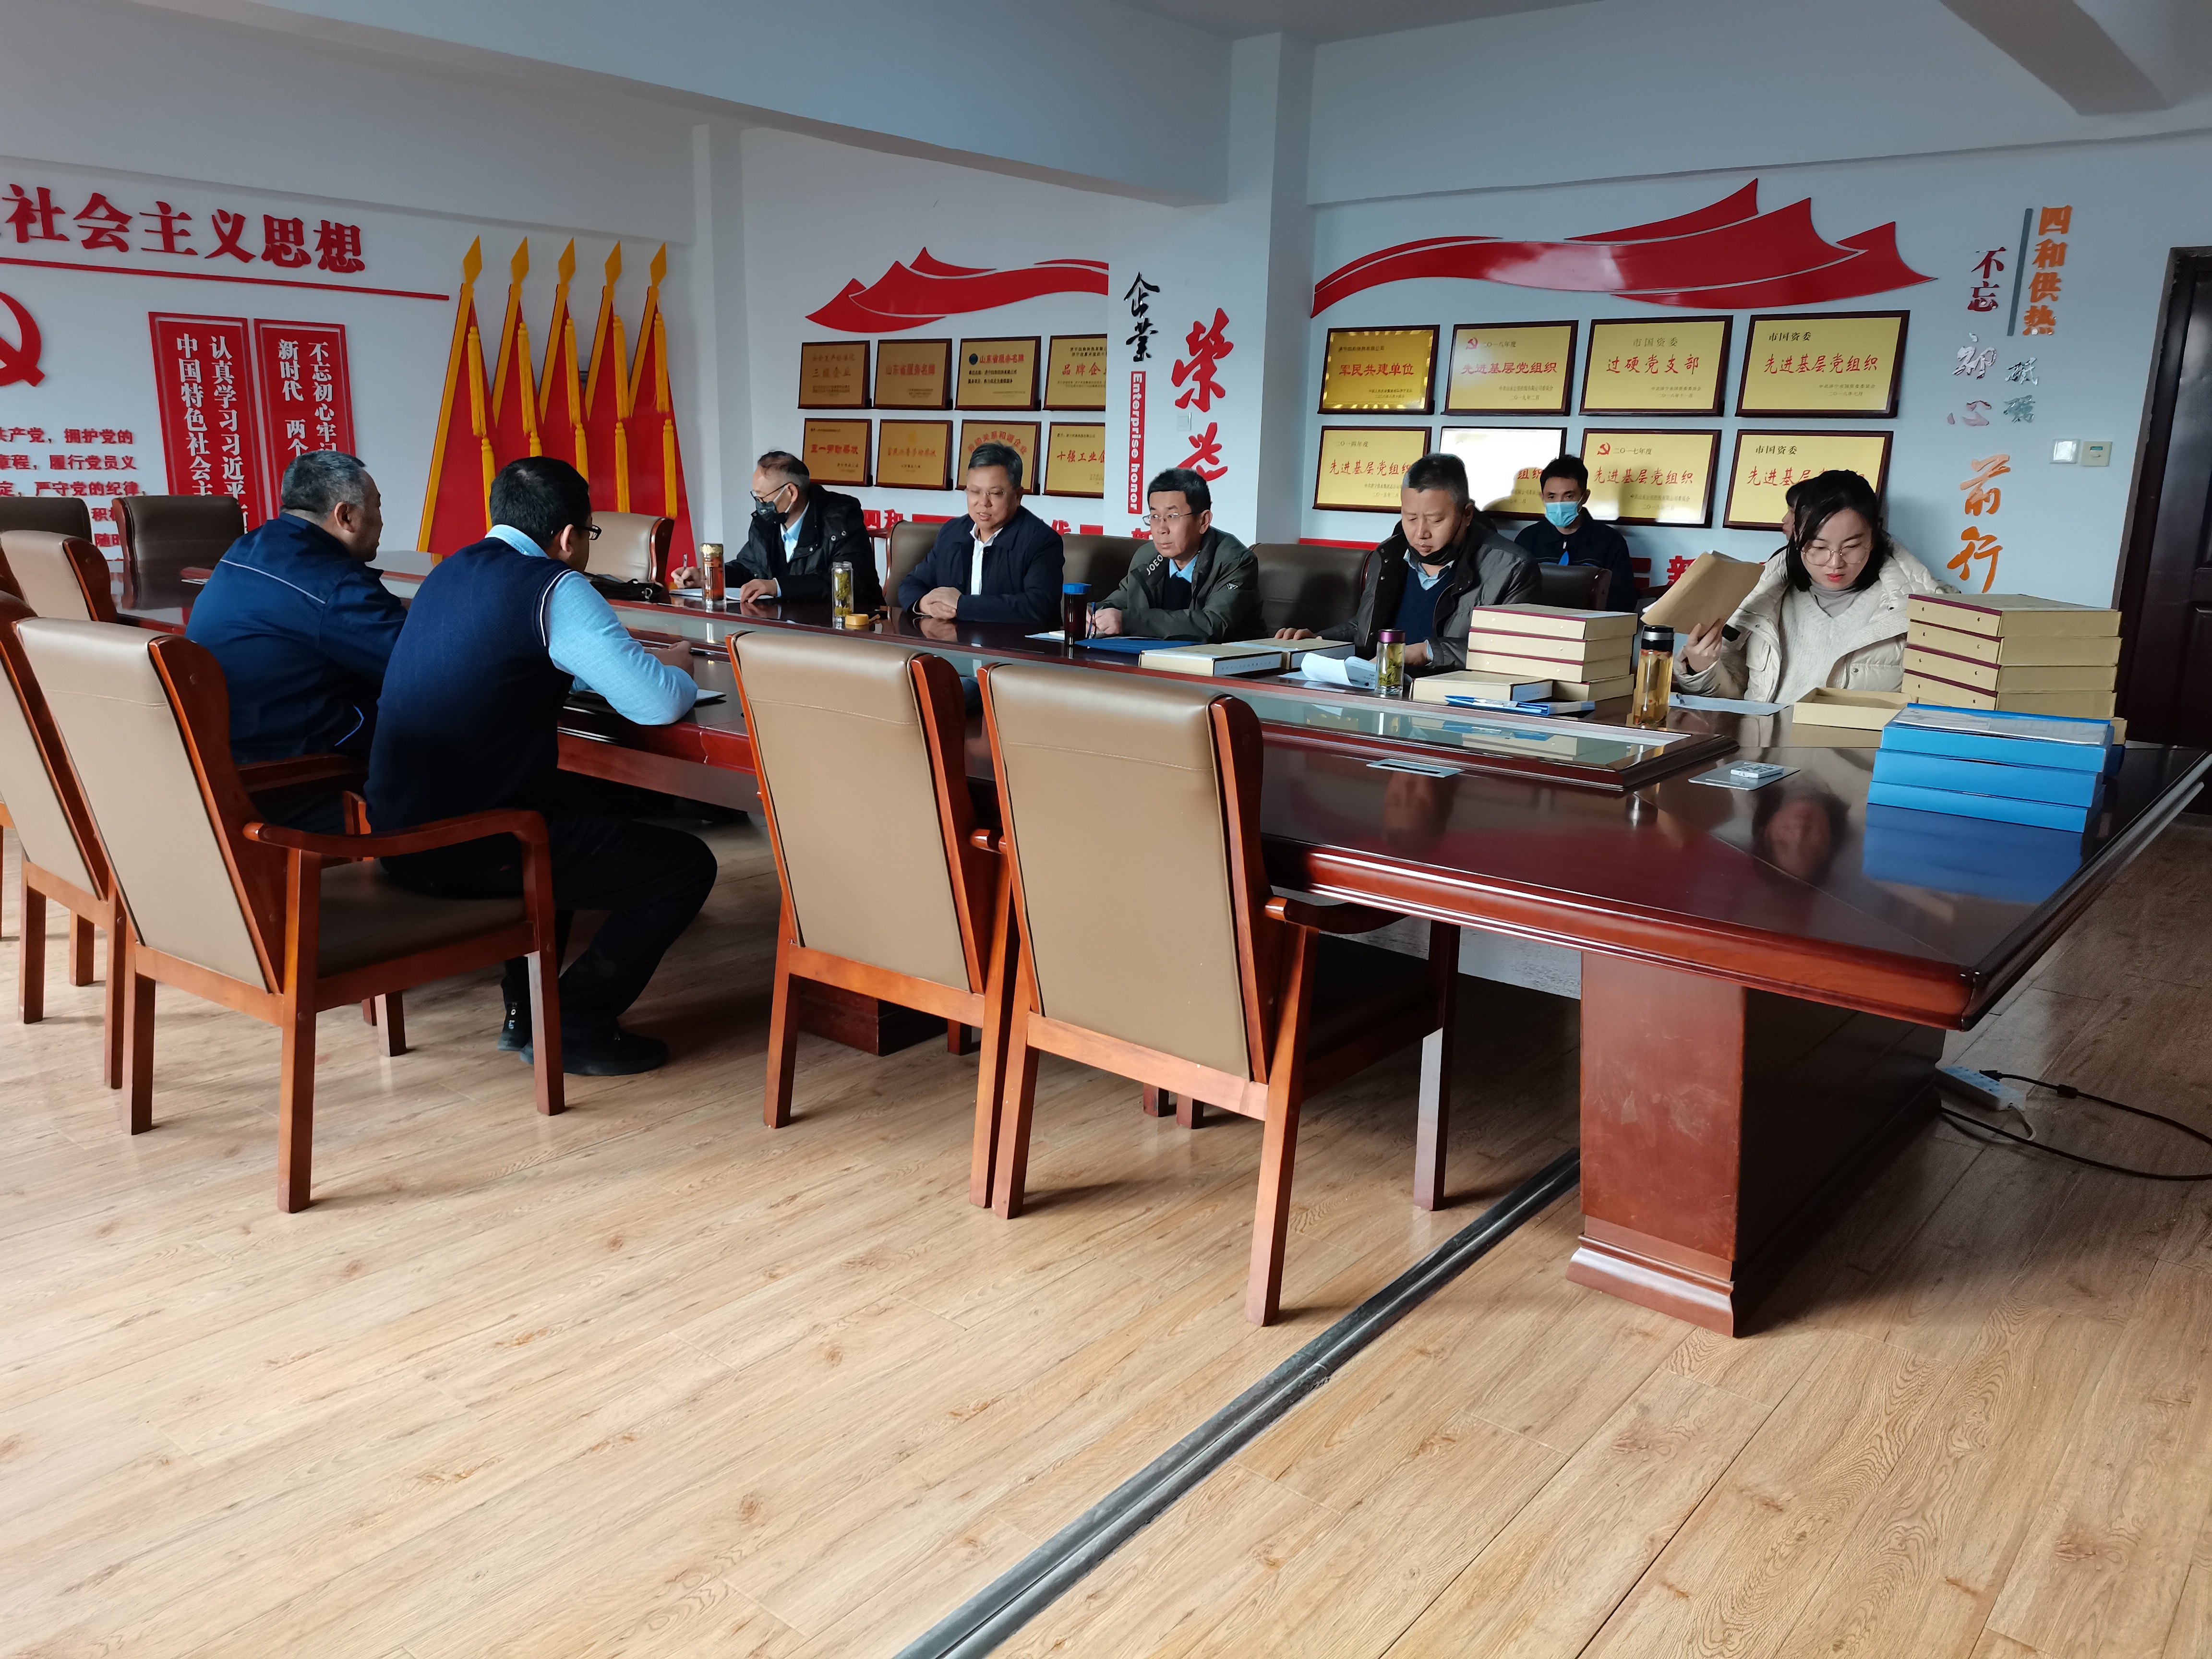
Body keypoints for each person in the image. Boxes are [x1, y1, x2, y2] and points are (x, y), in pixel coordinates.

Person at [366, 457, 718, 1076]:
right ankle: (573, 1023)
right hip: (479, 844)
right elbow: (657, 704)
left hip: (399, 832)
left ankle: (525, 1011)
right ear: (568, 536)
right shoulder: (555, 586)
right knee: (685, 868)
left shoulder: (450, 573)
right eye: (591, 535)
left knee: (568, 813)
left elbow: (516, 659)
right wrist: (680, 671)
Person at [183, 450, 404, 829]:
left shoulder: (247, 548)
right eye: (377, 507)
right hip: (290, 784)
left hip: (220, 767)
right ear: (346, 516)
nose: (382, 521)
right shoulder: (331, 585)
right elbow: (424, 664)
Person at [1675, 469, 1942, 704]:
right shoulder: (1760, 597)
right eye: (1818, 547)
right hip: (1761, 744)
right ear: (1797, 538)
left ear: (1874, 537)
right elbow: (1736, 704)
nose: (1835, 563)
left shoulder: (1920, 608)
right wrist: (1702, 668)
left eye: (1852, 547)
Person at [1276, 451, 1538, 673]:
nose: (1420, 533)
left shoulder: (1512, 568)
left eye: (1436, 520)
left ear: (1467, 514)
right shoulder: (1389, 555)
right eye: (1410, 518)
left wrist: (1426, 652)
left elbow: (1510, 652)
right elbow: (1367, 626)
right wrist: (1320, 639)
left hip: (1447, 698)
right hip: (1380, 686)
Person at [895, 443, 1064, 627]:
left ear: (1018, 496)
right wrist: (924, 604)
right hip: (952, 641)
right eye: (975, 492)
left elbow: (1038, 606)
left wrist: (962, 605)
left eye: (995, 493)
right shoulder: (952, 532)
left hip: (1014, 644)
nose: (984, 503)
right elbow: (911, 585)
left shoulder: (1041, 541)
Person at [1089, 468, 1260, 641]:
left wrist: (1128, 622)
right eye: (1155, 516)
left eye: (1172, 516)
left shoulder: (1235, 562)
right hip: (1153, 656)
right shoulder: (1147, 557)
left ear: (1203, 521)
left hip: (1220, 657)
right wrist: (1090, 613)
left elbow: (1213, 625)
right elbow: (1120, 601)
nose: (1161, 529)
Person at [732, 450, 882, 610]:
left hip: (844, 618)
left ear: (791, 492)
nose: (760, 504)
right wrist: (717, 575)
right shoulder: (767, 523)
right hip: (786, 618)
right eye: (756, 497)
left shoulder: (840, 520)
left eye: (763, 497)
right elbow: (749, 567)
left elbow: (846, 582)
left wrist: (778, 586)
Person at [1512, 456, 1638, 612]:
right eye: (1552, 496)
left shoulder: (1610, 541)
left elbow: (1624, 598)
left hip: (1589, 622)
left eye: (1569, 496)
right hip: (1537, 620)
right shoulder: (1528, 539)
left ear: (1584, 497)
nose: (1559, 503)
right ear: (1542, 498)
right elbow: (1514, 591)